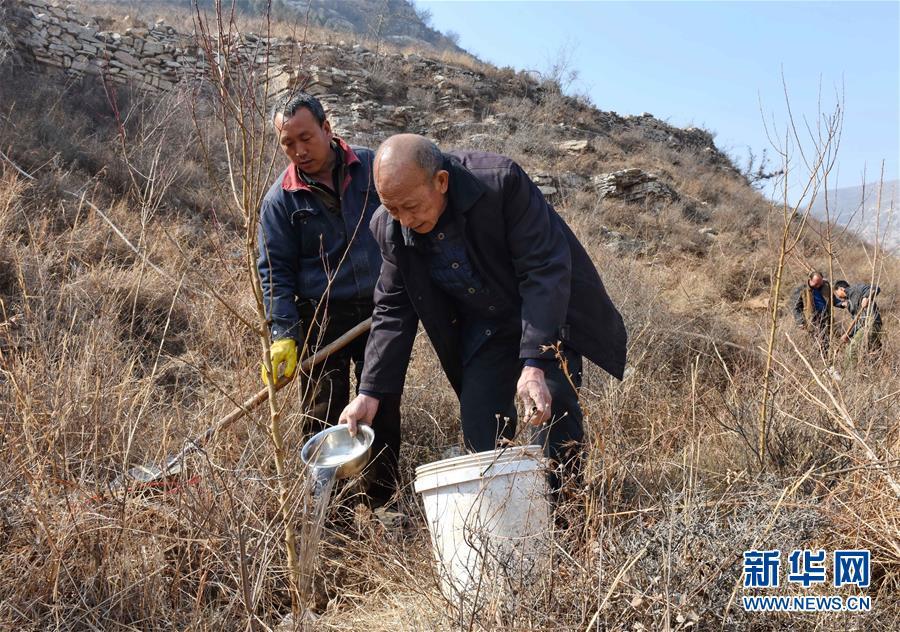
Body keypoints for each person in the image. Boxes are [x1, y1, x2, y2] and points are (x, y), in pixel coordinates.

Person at [338, 134, 627, 490]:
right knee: (481, 433)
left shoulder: (499, 184)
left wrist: (534, 363)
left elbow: (543, 269)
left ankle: (565, 523)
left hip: (541, 315)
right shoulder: (390, 227)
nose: (404, 220)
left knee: (552, 415)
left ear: (441, 182)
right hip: (483, 328)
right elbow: (392, 309)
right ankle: (504, 531)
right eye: (392, 208)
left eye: (411, 206)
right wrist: (370, 392)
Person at [256, 92, 401, 506]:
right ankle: (329, 514)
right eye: (287, 144)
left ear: (327, 128)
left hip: (381, 309)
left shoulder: (374, 168)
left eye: (306, 138)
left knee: (383, 407)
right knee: (322, 414)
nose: (299, 151)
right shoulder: (281, 201)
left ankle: (382, 504)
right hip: (321, 317)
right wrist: (283, 332)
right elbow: (275, 274)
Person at [833, 280, 883, 363]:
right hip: (865, 326)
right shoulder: (849, 301)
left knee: (851, 350)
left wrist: (866, 297)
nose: (838, 296)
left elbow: (875, 288)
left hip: (871, 323)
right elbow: (857, 322)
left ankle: (850, 375)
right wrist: (849, 335)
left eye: (836, 293)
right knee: (875, 353)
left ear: (841, 289)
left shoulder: (855, 289)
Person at [790, 270, 837, 355]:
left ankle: (826, 359)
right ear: (810, 280)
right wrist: (800, 321)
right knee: (815, 343)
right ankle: (818, 360)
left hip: (826, 318)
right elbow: (795, 308)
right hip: (812, 320)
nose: (818, 286)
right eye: (816, 284)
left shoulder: (826, 286)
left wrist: (842, 304)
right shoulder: (801, 289)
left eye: (820, 283)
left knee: (826, 342)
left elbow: (832, 299)